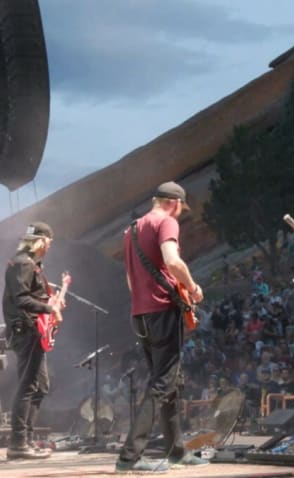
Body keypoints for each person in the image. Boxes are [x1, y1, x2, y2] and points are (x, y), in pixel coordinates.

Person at [117, 182, 208, 473]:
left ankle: (176, 452)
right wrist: (193, 288)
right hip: (162, 312)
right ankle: (129, 457)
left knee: (168, 382)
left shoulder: (131, 230)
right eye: (181, 208)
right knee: (161, 384)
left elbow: (131, 279)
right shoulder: (165, 222)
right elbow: (172, 261)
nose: (180, 214)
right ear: (174, 203)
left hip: (140, 314)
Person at [2, 222, 61, 460]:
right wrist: (48, 307)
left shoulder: (30, 264)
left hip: (33, 330)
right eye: (49, 243)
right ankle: (17, 443)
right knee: (28, 386)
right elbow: (21, 299)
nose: (49, 247)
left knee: (40, 386)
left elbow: (31, 296)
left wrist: (50, 303)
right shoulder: (23, 263)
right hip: (25, 331)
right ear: (42, 241)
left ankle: (26, 439)